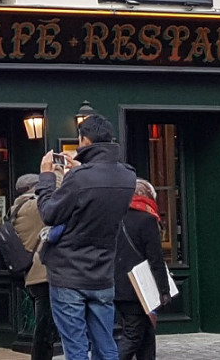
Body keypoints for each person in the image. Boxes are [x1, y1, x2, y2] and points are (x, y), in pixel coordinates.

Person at [36, 113, 136, 360]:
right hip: (102, 271)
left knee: (76, 347)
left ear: (86, 141)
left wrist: (47, 176)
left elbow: (49, 213)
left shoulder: (79, 178)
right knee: (106, 344)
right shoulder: (128, 177)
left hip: (69, 272)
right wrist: (81, 170)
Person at [114, 179, 171, 360]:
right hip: (138, 289)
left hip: (116, 285)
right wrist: (164, 290)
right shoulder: (147, 220)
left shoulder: (115, 218)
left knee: (146, 334)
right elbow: (156, 259)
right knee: (133, 335)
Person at [11, 173, 57, 360]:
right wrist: (55, 172)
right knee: (44, 327)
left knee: (45, 325)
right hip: (42, 274)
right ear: (33, 187)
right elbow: (58, 201)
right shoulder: (32, 207)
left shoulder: (18, 207)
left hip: (32, 275)